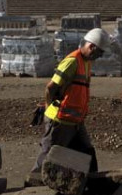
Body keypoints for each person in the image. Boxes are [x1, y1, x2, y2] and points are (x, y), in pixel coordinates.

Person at [32, 28, 110, 174]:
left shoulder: (86, 62)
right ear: (91, 46)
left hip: (76, 121)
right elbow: (50, 88)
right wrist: (49, 109)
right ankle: (33, 185)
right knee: (48, 155)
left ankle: (91, 182)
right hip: (60, 120)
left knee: (87, 152)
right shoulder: (72, 61)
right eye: (99, 52)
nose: (99, 56)